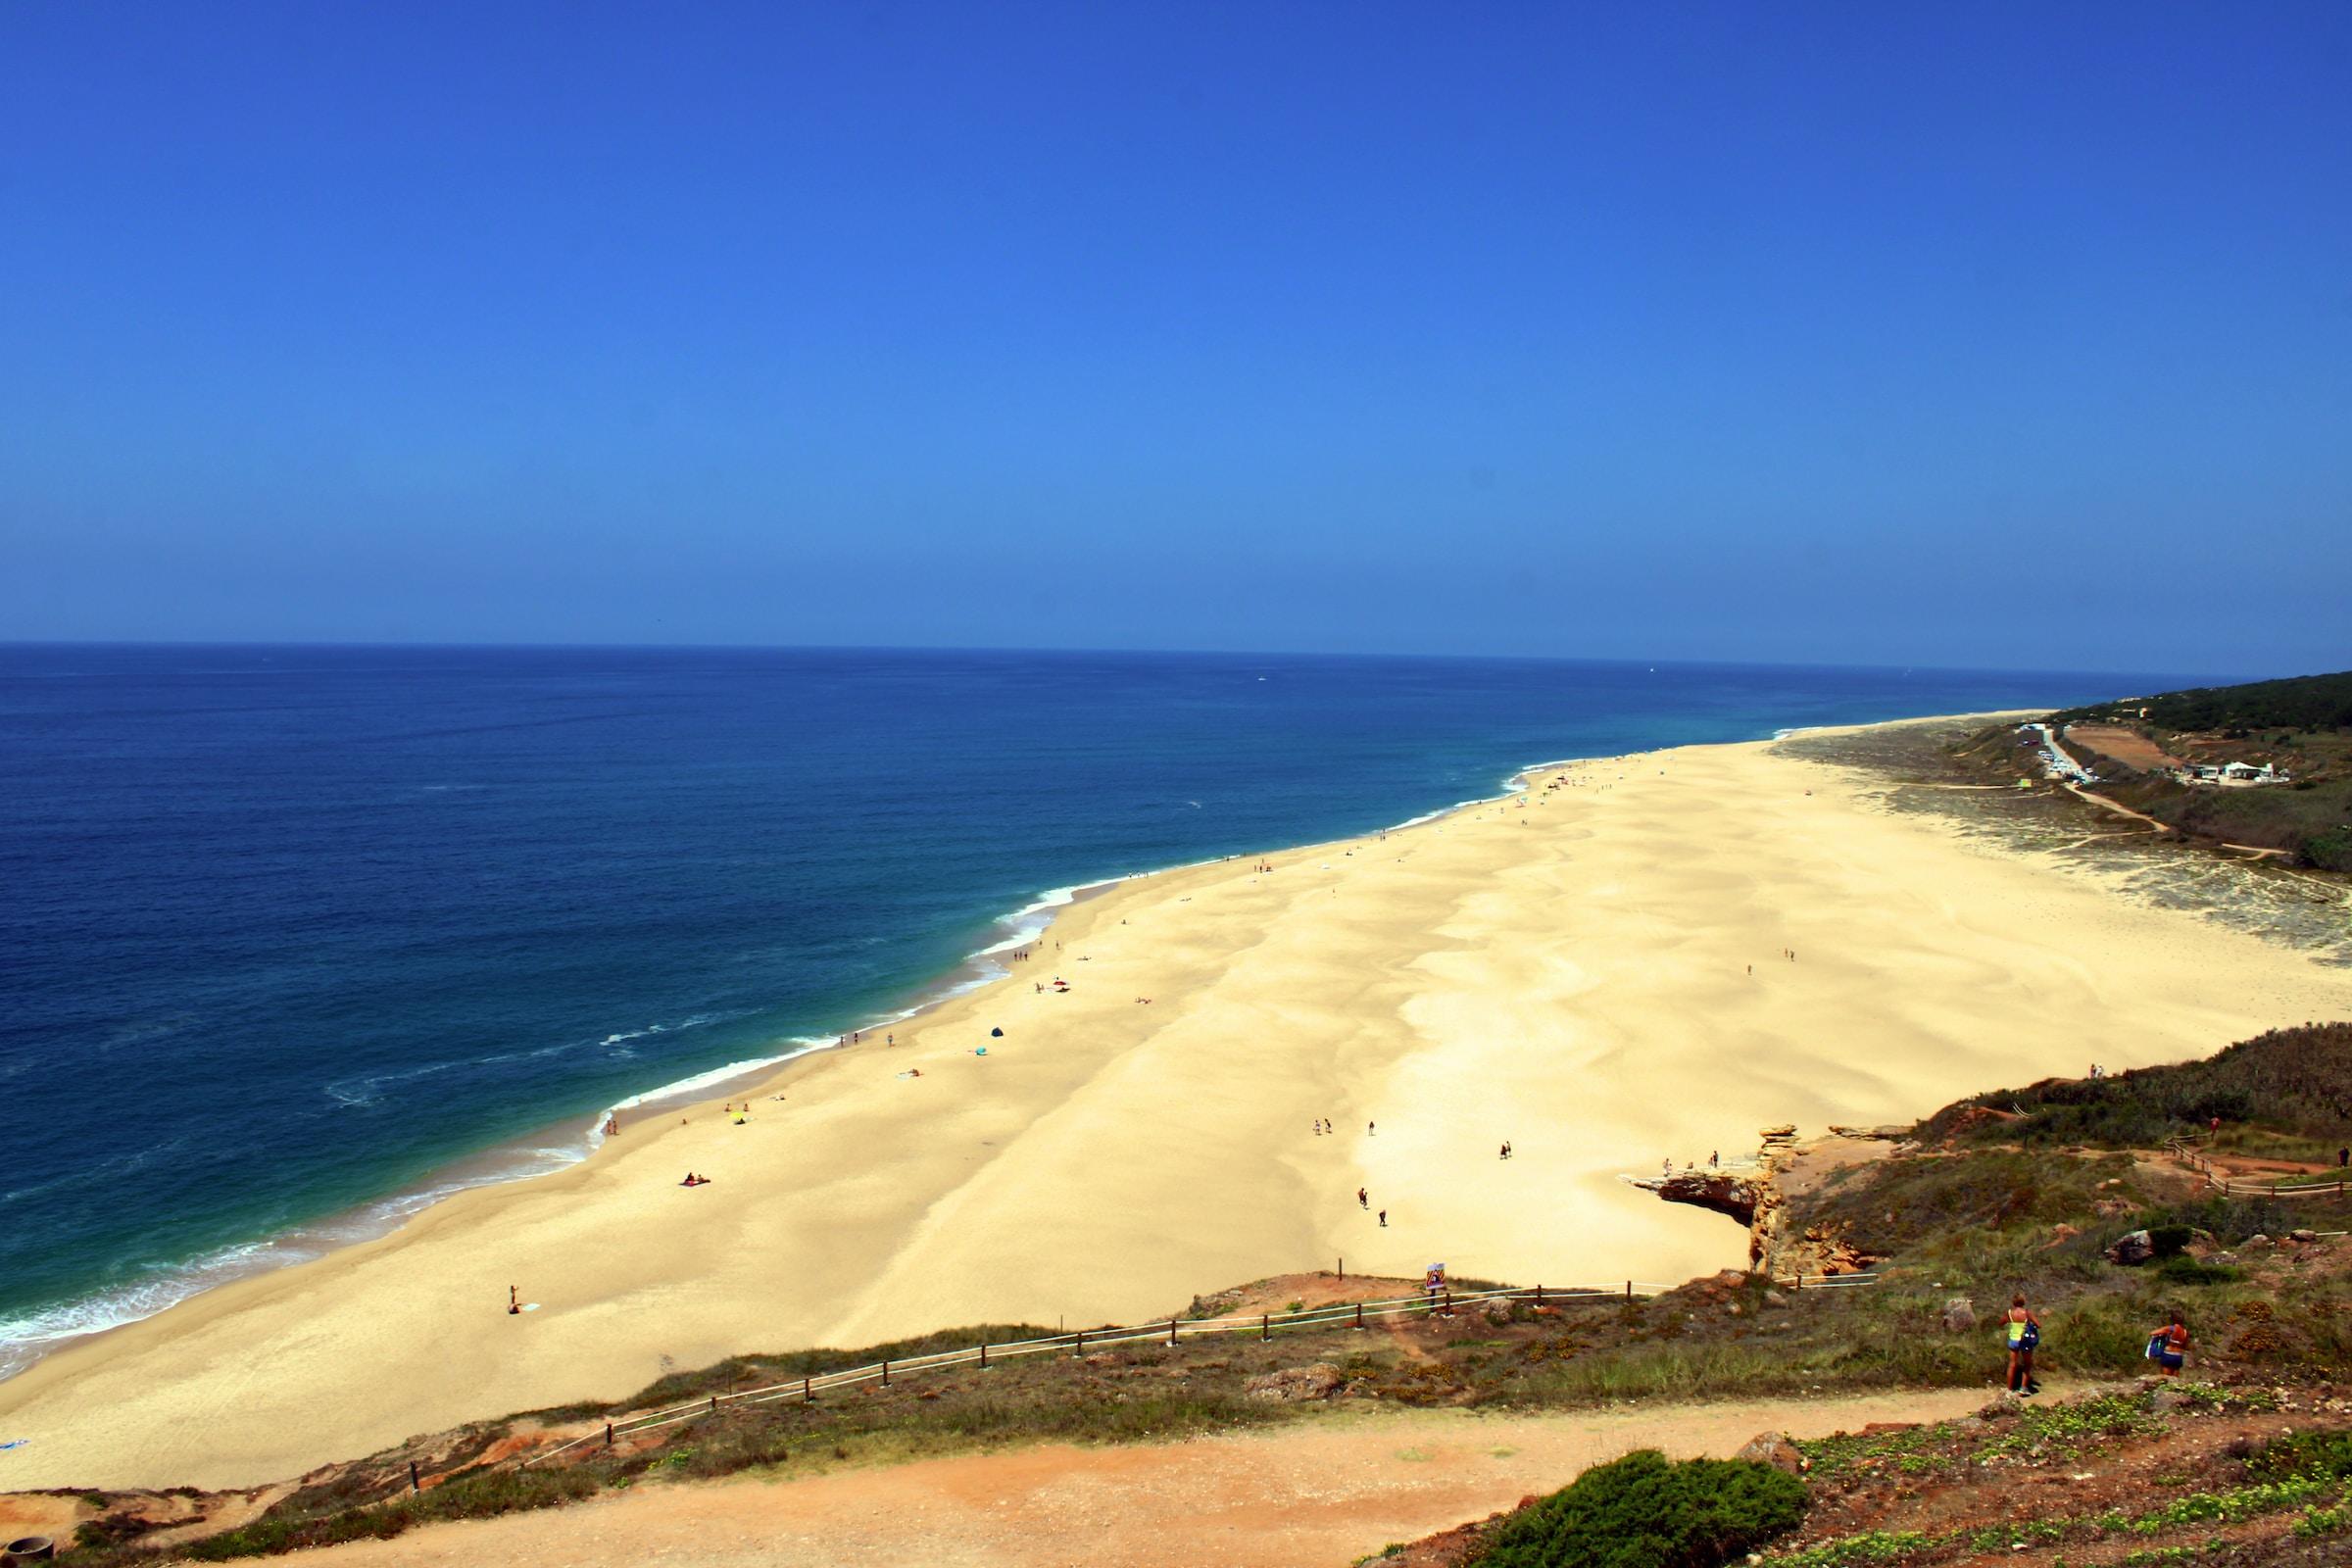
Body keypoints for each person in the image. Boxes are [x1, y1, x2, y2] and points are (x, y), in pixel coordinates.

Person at [2005, 1295, 2040, 1395]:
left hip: (2013, 1339)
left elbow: (2001, 1322)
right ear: (2023, 1302)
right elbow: (2038, 1325)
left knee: (2012, 1364)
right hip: (2025, 1340)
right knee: (2027, 1364)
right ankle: (2023, 1388)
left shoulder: (2010, 1313)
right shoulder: (2027, 1313)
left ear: (2013, 1302)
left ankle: (2009, 1389)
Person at [2149, 1310, 2189, 1377]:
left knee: (2165, 1378)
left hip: (2168, 1354)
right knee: (2175, 1381)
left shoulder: (2170, 1328)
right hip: (2178, 1356)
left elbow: (2152, 1333)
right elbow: (2185, 1346)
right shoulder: (2185, 1332)